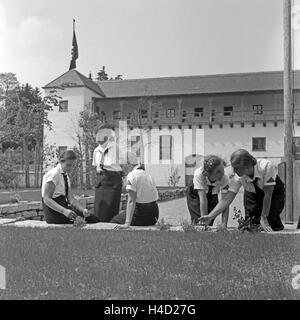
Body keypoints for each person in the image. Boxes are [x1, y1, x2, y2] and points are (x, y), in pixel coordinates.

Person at [199, 149, 285, 232]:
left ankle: (272, 223)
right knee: (251, 225)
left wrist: (264, 217)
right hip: (252, 193)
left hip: (273, 193)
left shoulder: (266, 166)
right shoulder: (237, 176)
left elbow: (268, 195)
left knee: (270, 222)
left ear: (246, 166)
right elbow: (227, 199)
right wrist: (210, 216)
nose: (233, 171)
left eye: (236, 168)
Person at [42, 150, 99, 224]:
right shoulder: (53, 175)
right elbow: (47, 199)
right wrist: (64, 211)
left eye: (72, 165)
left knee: (93, 219)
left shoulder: (65, 176)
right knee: (83, 221)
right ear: (61, 161)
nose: (70, 168)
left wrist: (83, 210)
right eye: (68, 165)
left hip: (63, 205)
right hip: (53, 211)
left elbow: (71, 199)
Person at [186, 155, 230, 229]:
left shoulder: (224, 177)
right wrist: (204, 224)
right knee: (198, 220)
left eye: (222, 169)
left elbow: (225, 202)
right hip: (196, 194)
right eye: (218, 171)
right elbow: (203, 199)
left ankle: (207, 228)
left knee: (210, 217)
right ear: (208, 173)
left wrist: (224, 224)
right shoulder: (199, 174)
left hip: (212, 193)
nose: (222, 173)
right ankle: (198, 230)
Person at [92, 135, 123, 222]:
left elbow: (122, 163)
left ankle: (110, 227)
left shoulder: (116, 147)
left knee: (111, 211)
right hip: (101, 180)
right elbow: (96, 166)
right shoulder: (96, 151)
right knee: (99, 210)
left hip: (113, 180)